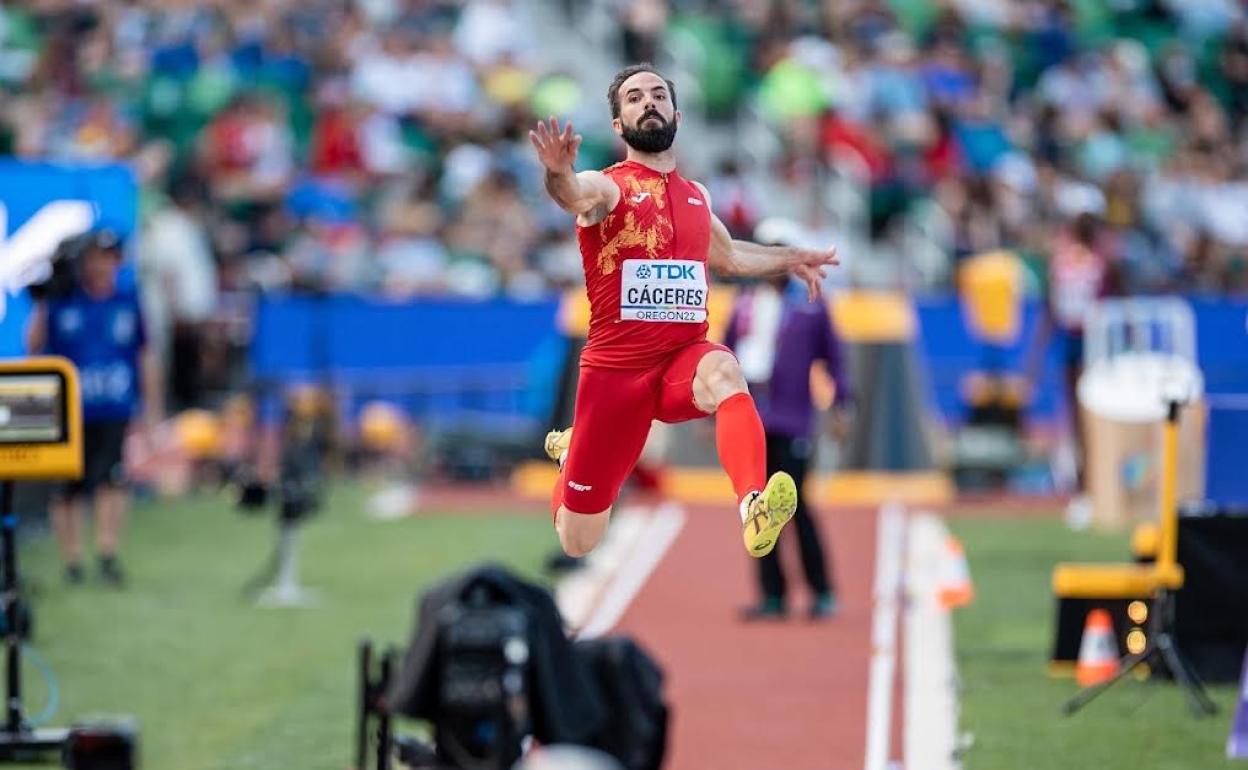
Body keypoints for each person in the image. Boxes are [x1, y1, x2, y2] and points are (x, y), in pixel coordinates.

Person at [529, 63, 839, 559]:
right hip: (616, 377)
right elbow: (571, 193)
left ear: (677, 112)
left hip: (681, 360)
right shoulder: (609, 188)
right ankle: (572, 458)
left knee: (724, 370)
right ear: (618, 125)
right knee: (579, 541)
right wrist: (556, 172)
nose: (647, 102)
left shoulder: (697, 196)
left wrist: (792, 258)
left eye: (657, 94)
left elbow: (731, 254)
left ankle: (752, 505)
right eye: (634, 98)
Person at [724, 220, 852, 620]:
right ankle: (772, 595)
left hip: (793, 419)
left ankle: (822, 590)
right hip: (752, 419)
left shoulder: (810, 305)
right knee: (757, 508)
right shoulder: (744, 304)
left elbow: (835, 357)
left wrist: (841, 405)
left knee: (796, 505)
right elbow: (723, 353)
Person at [26, 230, 162, 586]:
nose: (102, 265)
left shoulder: (127, 301)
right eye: (95, 257)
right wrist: (44, 299)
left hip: (114, 405)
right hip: (71, 409)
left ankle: (107, 552)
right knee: (66, 486)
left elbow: (144, 354)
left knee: (112, 480)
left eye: (109, 257)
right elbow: (34, 346)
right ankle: (72, 560)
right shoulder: (64, 301)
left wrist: (149, 409)